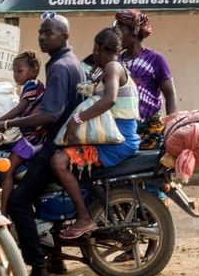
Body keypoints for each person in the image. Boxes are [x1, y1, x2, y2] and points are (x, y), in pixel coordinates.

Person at [3, 14, 86, 276]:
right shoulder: (69, 62)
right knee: (37, 198)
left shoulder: (60, 67)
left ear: (64, 36)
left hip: (56, 144)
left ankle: (39, 271)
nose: (42, 37)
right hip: (65, 142)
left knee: (18, 201)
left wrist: (9, 123)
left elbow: (50, 114)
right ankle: (55, 259)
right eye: (40, 32)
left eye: (48, 32)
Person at [53, 27, 140, 241]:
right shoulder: (108, 69)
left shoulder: (112, 67)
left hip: (117, 139)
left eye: (94, 48)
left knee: (58, 161)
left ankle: (84, 217)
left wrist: (77, 119)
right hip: (113, 136)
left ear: (99, 48)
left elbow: (109, 99)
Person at [0, 51, 45, 208]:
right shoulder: (35, 87)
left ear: (33, 70)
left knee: (7, 170)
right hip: (33, 138)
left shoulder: (32, 84)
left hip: (32, 139)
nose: (16, 75)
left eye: (20, 71)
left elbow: (19, 108)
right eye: (14, 71)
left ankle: (3, 211)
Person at [113, 10, 177, 149]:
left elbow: (170, 95)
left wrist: (171, 129)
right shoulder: (118, 60)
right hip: (124, 130)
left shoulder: (155, 59)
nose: (116, 34)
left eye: (119, 29)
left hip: (150, 132)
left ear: (134, 33)